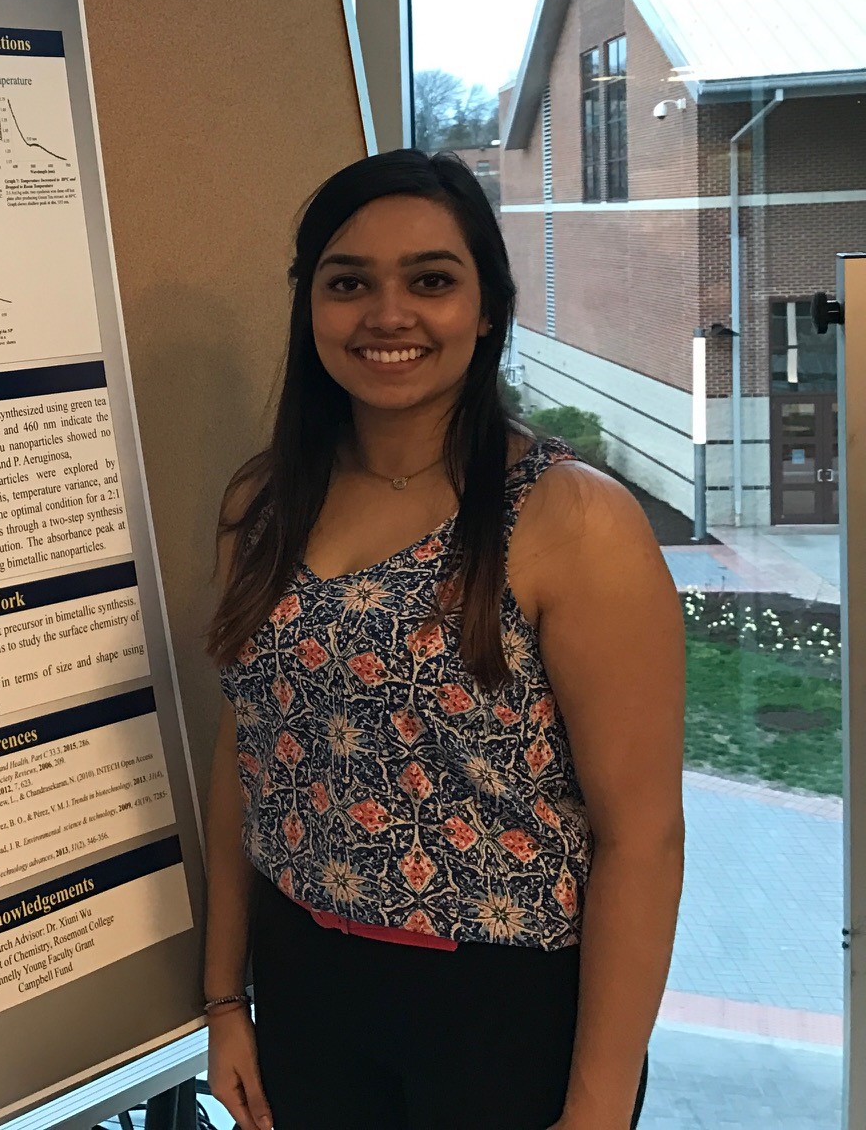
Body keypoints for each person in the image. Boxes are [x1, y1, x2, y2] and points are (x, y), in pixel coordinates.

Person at [200, 150, 683, 1130]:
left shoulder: (571, 521)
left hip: (504, 1009)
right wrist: (223, 998)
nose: (388, 315)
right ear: (311, 308)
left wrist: (594, 1109)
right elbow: (244, 747)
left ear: (488, 308)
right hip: (305, 991)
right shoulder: (262, 504)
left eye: (430, 280)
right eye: (349, 284)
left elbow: (642, 836)